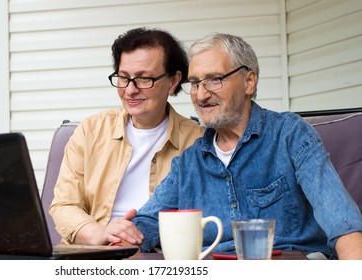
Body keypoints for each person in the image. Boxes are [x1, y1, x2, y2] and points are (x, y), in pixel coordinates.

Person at [120, 33, 362, 259]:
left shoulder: (290, 135)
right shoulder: (189, 163)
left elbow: (343, 224)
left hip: (287, 266)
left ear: (249, 81)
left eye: (214, 80)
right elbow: (144, 226)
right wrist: (123, 233)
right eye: (195, 83)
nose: (201, 95)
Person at [49, 27, 204, 245]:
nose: (130, 90)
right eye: (123, 78)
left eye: (144, 79)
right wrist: (99, 233)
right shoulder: (89, 131)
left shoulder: (198, 142)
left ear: (173, 81)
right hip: (92, 252)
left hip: (157, 254)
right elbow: (64, 204)